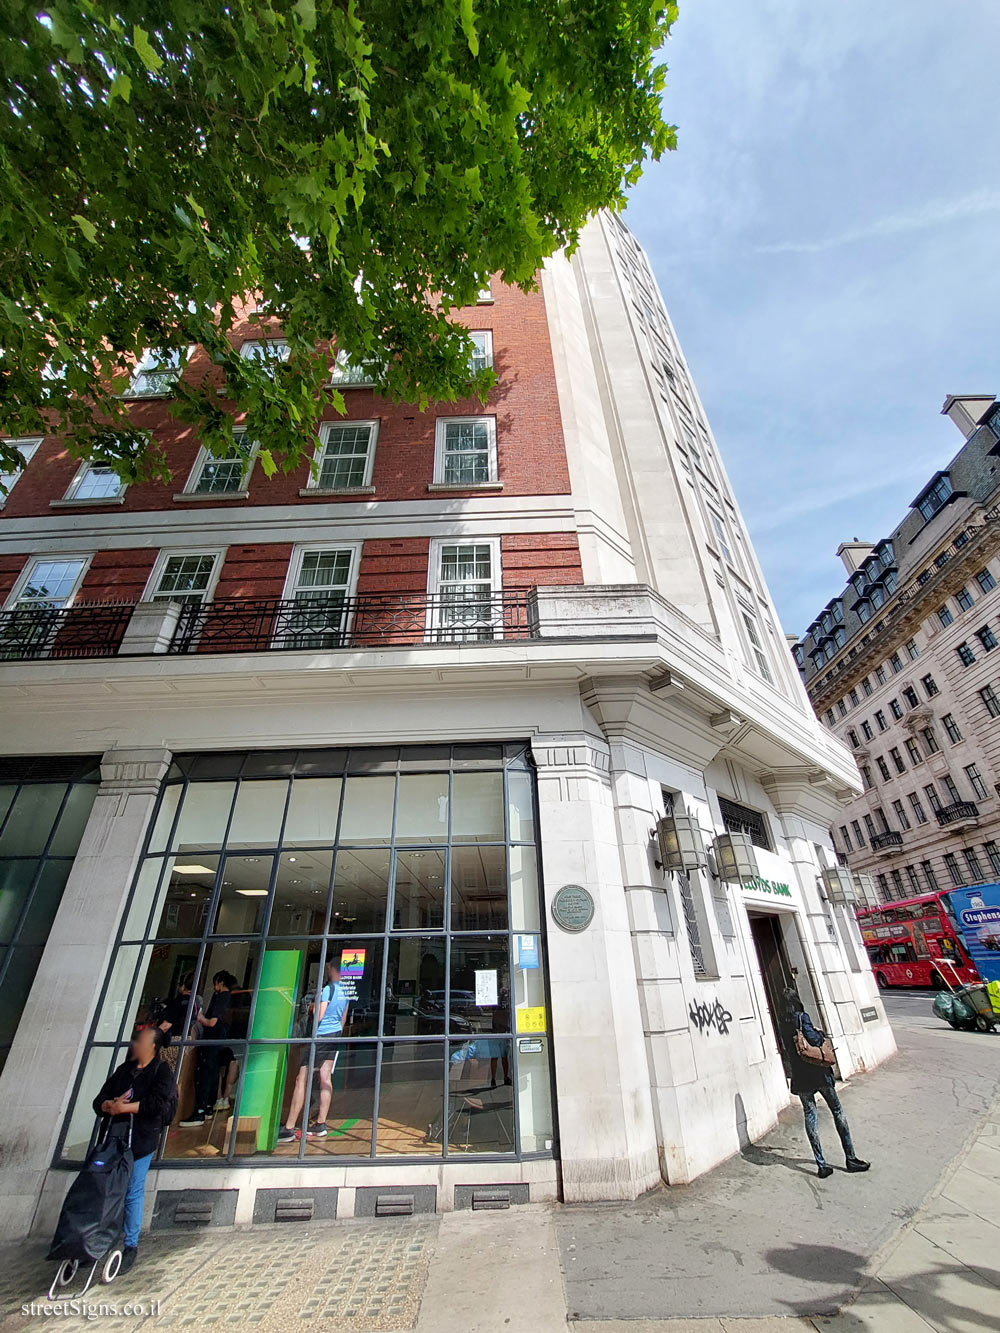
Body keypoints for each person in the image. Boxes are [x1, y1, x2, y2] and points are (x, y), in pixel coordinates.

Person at [92, 1024, 177, 1274]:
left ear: (152, 1046)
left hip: (140, 1140)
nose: (135, 1045)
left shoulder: (161, 1071)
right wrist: (109, 1105)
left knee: (133, 1190)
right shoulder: (124, 1070)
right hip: (114, 1138)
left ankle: (130, 1244)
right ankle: (100, 1236)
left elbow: (157, 1105)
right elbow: (99, 1100)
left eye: (141, 1041)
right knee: (104, 1187)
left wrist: (125, 1108)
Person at [780, 987, 870, 1179]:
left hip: (800, 1076)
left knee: (810, 1115)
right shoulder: (801, 1017)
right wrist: (819, 1034)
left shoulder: (783, 1023)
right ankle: (850, 1158)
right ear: (796, 1000)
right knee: (837, 1111)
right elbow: (813, 1039)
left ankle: (821, 1163)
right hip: (818, 1073)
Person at [278, 959, 350, 1142]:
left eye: (328, 969)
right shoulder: (346, 992)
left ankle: (289, 1126)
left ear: (333, 970)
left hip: (321, 1036)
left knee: (301, 1078)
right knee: (325, 1077)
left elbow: (319, 1016)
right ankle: (320, 1123)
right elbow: (343, 1018)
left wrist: (313, 1008)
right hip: (335, 1036)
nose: (327, 973)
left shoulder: (328, 990)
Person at [180, 970, 236, 1127]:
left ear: (220, 982)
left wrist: (200, 1018)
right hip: (218, 1040)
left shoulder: (222, 998)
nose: (214, 986)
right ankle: (208, 1108)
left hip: (212, 1039)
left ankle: (200, 1110)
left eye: (215, 983)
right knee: (212, 1072)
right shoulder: (228, 998)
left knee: (205, 1073)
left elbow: (212, 1022)